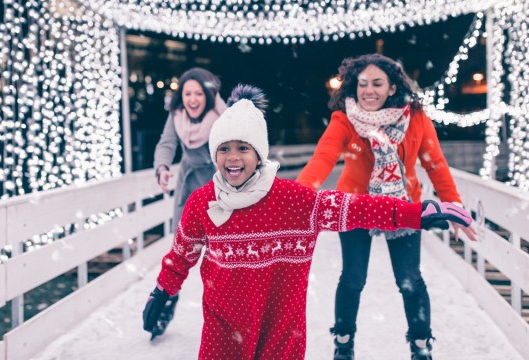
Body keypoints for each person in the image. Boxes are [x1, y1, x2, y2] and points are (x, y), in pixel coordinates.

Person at [142, 84, 475, 360]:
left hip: (281, 332)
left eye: (243, 147)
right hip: (223, 332)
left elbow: (355, 208)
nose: (233, 156)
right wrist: (163, 290)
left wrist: (416, 214)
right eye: (224, 148)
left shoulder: (293, 200)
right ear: (215, 155)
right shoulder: (202, 203)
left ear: (258, 154)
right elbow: (182, 254)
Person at [296, 53, 477, 360]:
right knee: (353, 279)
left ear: (392, 88)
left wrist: (453, 207)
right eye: (362, 83)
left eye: (377, 83)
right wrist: (296, 197)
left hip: (403, 206)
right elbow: (323, 158)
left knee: (409, 280)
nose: (369, 90)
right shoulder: (344, 119)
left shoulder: (416, 118)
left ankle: (421, 346)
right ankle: (343, 342)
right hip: (355, 207)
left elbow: (436, 165)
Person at [150, 67, 227, 339]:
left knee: (221, 259)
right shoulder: (177, 116)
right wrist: (162, 168)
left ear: (208, 95)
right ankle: (165, 306)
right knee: (180, 254)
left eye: (198, 93)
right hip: (188, 190)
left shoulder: (222, 117)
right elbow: (166, 143)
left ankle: (224, 316)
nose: (192, 99)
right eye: (187, 93)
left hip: (219, 191)